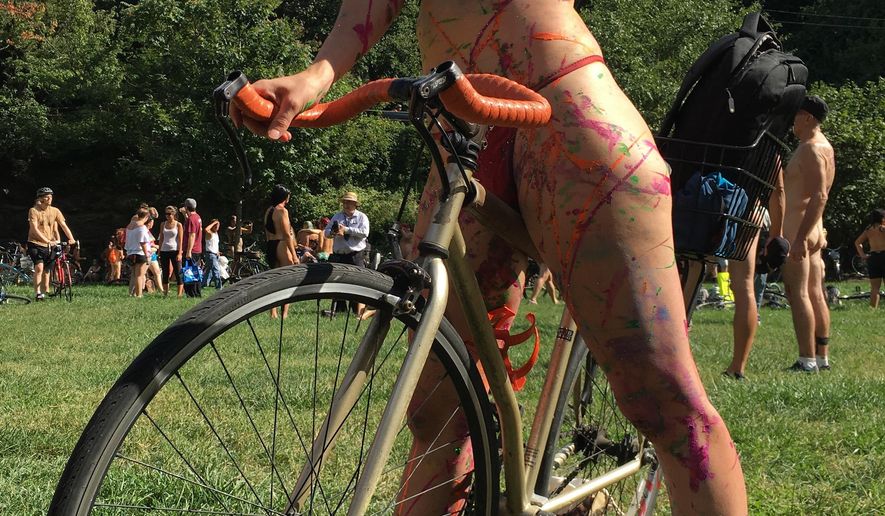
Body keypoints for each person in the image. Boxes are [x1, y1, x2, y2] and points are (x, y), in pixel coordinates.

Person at [231, 2, 747, 512]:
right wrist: (316, 75)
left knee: (661, 401)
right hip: (462, 132)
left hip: (568, 110)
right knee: (436, 414)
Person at [776, 95, 836, 373]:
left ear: (808, 117)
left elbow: (820, 195)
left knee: (797, 292)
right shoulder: (825, 147)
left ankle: (806, 359)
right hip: (812, 227)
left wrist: (799, 237)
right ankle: (821, 357)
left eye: (796, 115)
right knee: (815, 292)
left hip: (800, 229)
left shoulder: (811, 148)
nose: (793, 121)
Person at [323, 191, 370, 317]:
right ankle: (340, 308)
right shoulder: (337, 216)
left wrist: (347, 230)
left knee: (357, 281)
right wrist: (332, 232)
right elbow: (326, 232)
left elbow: (365, 232)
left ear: (355, 204)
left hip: (356, 254)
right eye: (345, 202)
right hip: (340, 254)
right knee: (339, 281)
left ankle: (357, 310)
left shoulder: (361, 217)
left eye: (349, 202)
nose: (346, 204)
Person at [26, 187, 76, 301]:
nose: (50, 199)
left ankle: (43, 293)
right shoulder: (33, 211)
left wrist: (71, 238)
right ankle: (37, 293)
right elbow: (34, 229)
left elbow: (63, 225)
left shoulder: (55, 211)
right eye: (47, 197)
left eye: (51, 196)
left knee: (47, 270)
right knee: (39, 267)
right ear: (41, 199)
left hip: (50, 244)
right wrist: (47, 240)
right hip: (35, 243)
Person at [264, 184, 298, 318]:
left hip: (270, 244)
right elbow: (286, 234)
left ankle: (273, 312)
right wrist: (294, 256)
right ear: (285, 197)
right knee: (287, 281)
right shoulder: (282, 211)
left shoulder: (269, 210)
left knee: (274, 280)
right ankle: (284, 314)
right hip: (281, 245)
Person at [854, 208, 885, 308]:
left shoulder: (868, 229)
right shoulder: (883, 228)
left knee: (875, 287)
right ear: (882, 218)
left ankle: (872, 308)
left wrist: (863, 255)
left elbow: (857, 242)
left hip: (873, 257)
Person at [124, 207, 153, 297]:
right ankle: (139, 294)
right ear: (147, 216)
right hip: (140, 253)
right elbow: (143, 242)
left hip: (131, 253)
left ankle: (132, 293)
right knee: (140, 276)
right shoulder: (142, 227)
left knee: (134, 275)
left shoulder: (129, 227)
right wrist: (147, 255)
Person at [158, 205, 185, 297]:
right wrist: (159, 250)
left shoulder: (178, 225)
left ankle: (179, 294)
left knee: (178, 272)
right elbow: (161, 238)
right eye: (166, 214)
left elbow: (181, 240)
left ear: (174, 214)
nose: (167, 216)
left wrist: (180, 252)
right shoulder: (163, 224)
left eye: (169, 214)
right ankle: (165, 293)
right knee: (165, 272)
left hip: (175, 250)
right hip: (164, 250)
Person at [182, 198, 203, 297]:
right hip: (198, 248)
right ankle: (197, 292)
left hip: (192, 249)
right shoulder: (197, 217)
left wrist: (188, 251)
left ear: (186, 207)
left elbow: (192, 235)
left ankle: (191, 293)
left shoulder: (191, 219)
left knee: (189, 272)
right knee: (196, 271)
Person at [202, 219, 224, 290]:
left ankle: (204, 284)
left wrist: (217, 251)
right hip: (210, 255)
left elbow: (215, 245)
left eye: (218, 226)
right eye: (215, 226)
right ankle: (219, 286)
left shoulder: (216, 234)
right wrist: (214, 222)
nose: (217, 227)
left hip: (215, 254)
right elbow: (205, 229)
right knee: (216, 270)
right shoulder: (209, 233)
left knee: (209, 270)